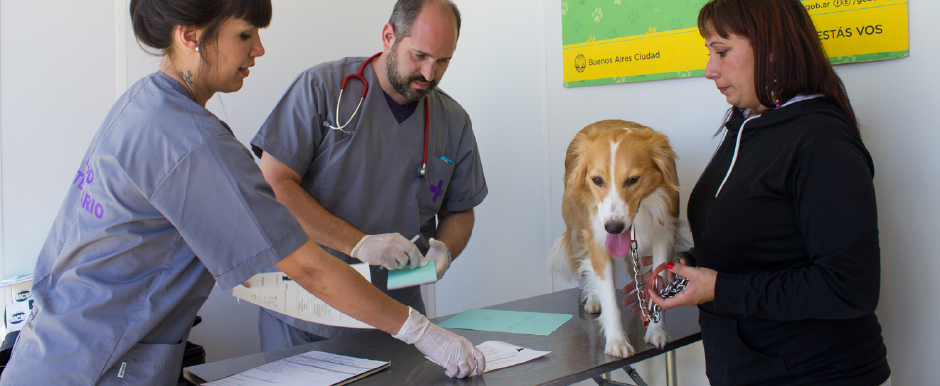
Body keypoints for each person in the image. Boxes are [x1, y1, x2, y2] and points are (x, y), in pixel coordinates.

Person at [0, 1, 484, 384]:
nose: (259, 51)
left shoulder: (143, 105)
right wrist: (423, 332)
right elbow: (309, 267)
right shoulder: (195, 143)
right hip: (98, 364)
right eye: (245, 36)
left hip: (54, 349)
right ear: (191, 36)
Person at [633, 0, 891, 385]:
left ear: (773, 47)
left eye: (721, 51)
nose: (709, 70)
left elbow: (848, 287)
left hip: (820, 374)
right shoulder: (745, 125)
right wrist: (681, 266)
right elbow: (759, 241)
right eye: (709, 53)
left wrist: (718, 288)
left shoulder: (821, 143)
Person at [251, 0, 487, 352]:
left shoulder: (453, 121)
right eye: (419, 55)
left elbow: (460, 209)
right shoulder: (322, 89)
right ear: (389, 36)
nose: (429, 74)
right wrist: (359, 244)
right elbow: (273, 185)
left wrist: (446, 249)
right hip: (307, 315)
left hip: (399, 320)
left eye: (443, 61)